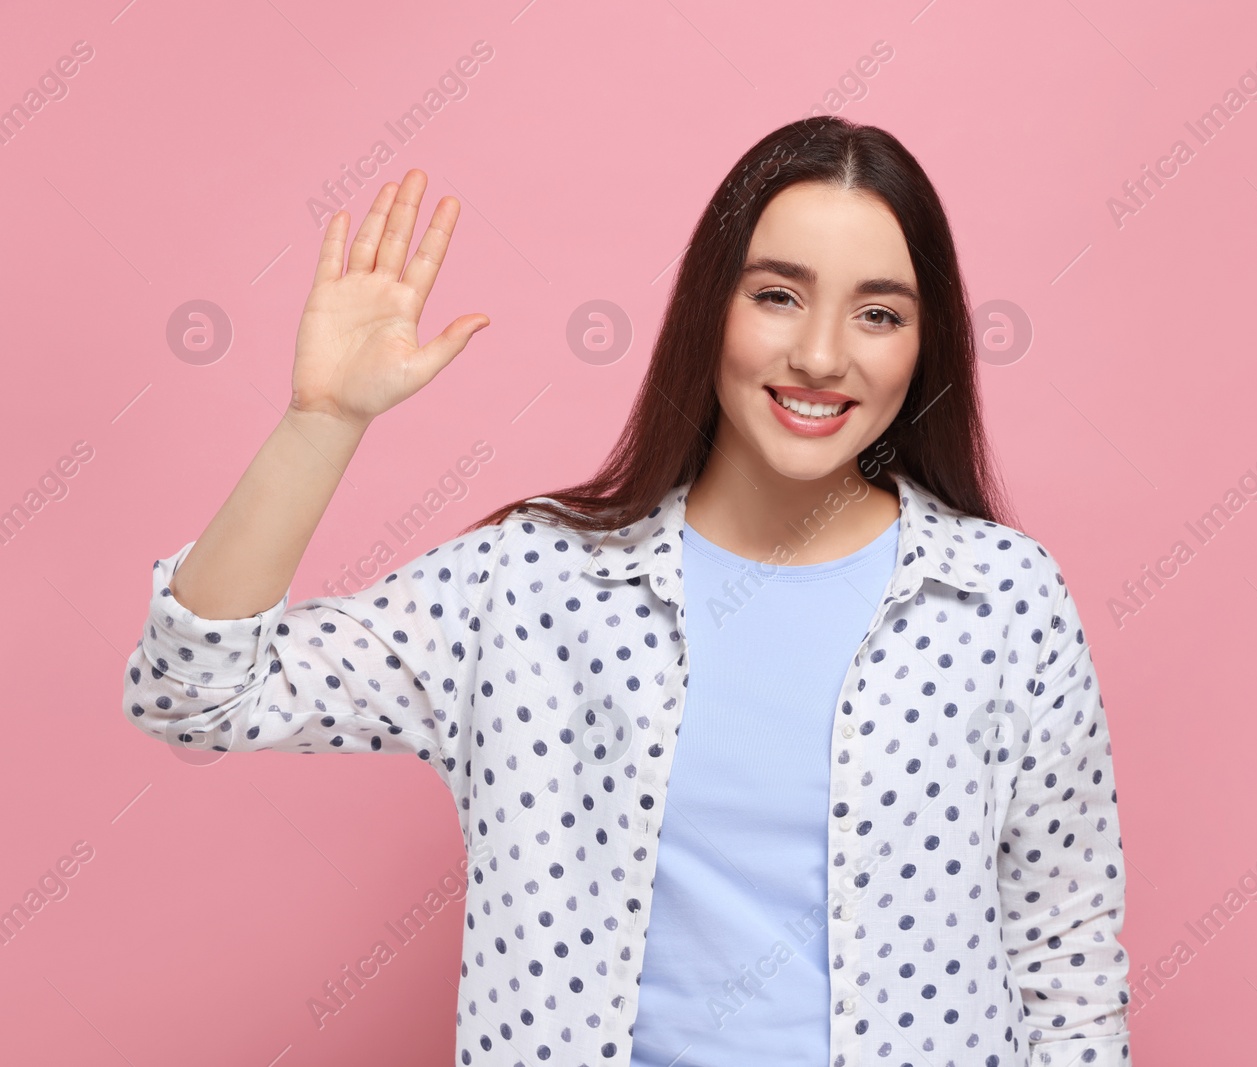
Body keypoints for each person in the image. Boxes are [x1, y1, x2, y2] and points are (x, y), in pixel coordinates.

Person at [123, 116, 1133, 1067]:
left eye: (878, 313)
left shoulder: (1001, 598)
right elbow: (197, 695)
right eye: (777, 294)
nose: (821, 355)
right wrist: (322, 419)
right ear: (708, 307)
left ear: (924, 345)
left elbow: (1065, 950)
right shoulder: (531, 585)